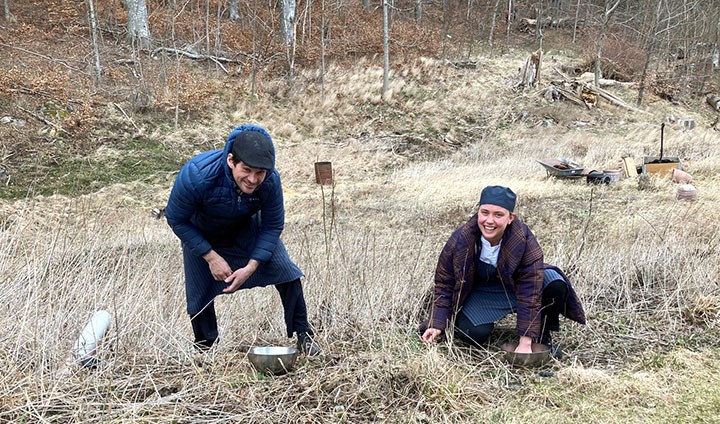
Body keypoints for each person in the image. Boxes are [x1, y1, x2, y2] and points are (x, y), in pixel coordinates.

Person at [165, 123, 319, 356]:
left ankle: (304, 336)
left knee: (286, 271)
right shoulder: (196, 174)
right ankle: (205, 350)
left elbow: (272, 225)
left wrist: (252, 265)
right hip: (201, 234)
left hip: (247, 229)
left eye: (260, 173)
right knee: (199, 293)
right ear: (230, 161)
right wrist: (210, 257)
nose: (253, 179)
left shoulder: (270, 181)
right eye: (246, 170)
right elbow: (176, 219)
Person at [420, 185, 585, 355]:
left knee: (555, 283)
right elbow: (444, 283)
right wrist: (437, 323)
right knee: (471, 332)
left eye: (498, 215)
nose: (489, 221)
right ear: (478, 212)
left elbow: (531, 290)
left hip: (520, 286)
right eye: (485, 213)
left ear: (510, 218)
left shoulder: (524, 240)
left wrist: (525, 341)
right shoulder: (461, 239)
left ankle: (541, 335)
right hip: (485, 292)